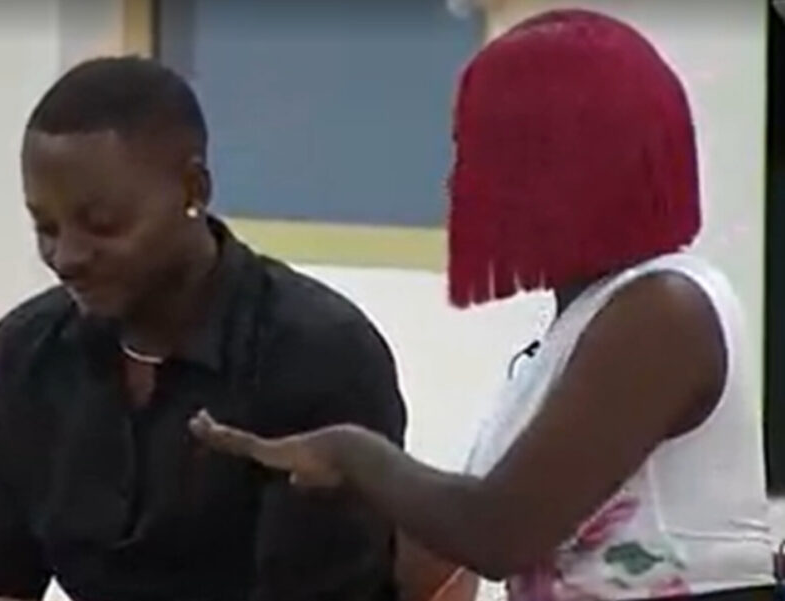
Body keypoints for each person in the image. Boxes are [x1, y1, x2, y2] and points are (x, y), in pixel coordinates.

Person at [190, 9, 776, 601]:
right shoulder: (581, 324)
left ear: (554, 168)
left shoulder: (663, 311)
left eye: (476, 153)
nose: (457, 182)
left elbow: (499, 533)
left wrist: (350, 451)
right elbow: (456, 543)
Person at [0, 57, 408, 601]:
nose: (66, 257)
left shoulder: (317, 355)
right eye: (45, 227)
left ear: (193, 190)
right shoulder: (28, 353)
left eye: (102, 224)